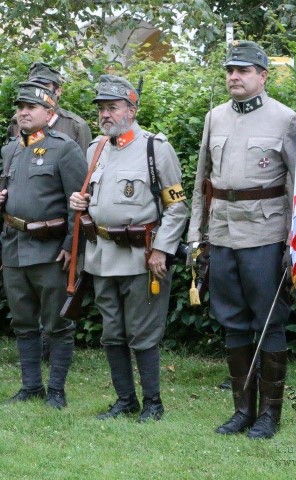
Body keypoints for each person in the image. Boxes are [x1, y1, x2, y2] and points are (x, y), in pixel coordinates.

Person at [187, 41, 296, 439]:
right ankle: (241, 411)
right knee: (232, 321)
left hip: (265, 233)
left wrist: (294, 242)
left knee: (269, 322)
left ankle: (269, 415)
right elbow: (203, 183)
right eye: (230, 70)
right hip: (222, 232)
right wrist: (196, 235)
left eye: (243, 70)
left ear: (263, 76)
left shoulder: (285, 119)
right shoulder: (214, 117)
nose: (234, 76)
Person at [69, 75, 188, 422]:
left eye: (113, 107)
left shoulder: (155, 149)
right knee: (112, 333)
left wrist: (162, 250)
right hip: (101, 256)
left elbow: (177, 206)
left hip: (142, 257)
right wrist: (81, 203)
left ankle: (153, 403)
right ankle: (125, 400)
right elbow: (95, 198)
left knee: (143, 333)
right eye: (101, 109)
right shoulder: (95, 149)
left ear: (131, 110)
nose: (105, 114)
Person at [0, 81, 86, 408]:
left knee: (58, 324)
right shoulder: (10, 150)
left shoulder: (64, 149)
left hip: (51, 250)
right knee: (23, 323)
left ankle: (57, 392)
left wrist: (71, 245)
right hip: (14, 247)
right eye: (20, 107)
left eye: (31, 107)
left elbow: (78, 203)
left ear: (49, 113)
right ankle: (31, 386)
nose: (23, 112)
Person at [6, 62, 92, 153]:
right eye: (34, 86)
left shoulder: (75, 126)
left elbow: (83, 161)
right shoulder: (18, 122)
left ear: (58, 91)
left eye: (45, 86)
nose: (39, 91)